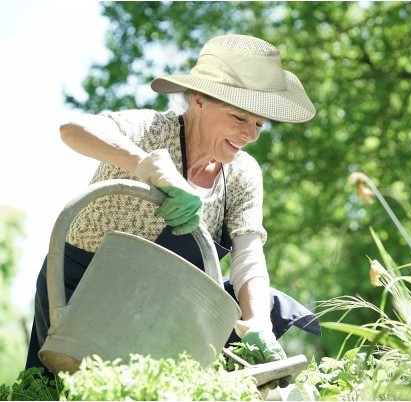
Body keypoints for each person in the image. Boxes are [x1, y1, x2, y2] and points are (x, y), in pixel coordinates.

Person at [26, 34, 320, 377]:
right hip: (82, 296)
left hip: (163, 308)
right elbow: (73, 129)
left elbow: (249, 254)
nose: (250, 134)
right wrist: (146, 165)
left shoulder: (243, 173)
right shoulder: (150, 131)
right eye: (239, 118)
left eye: (258, 124)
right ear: (198, 100)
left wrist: (257, 324)